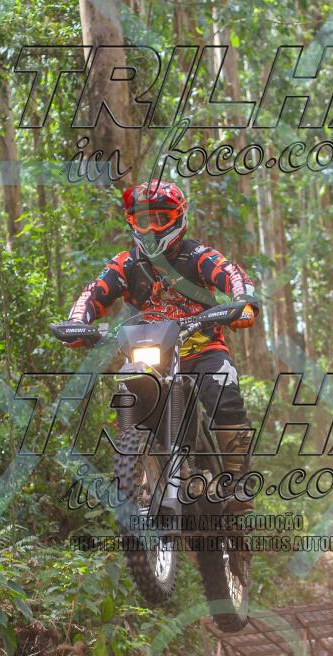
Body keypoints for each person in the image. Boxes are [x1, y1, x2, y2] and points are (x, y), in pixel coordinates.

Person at [64, 180, 259, 513]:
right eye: (143, 220)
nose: (152, 228)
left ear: (178, 219)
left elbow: (231, 273)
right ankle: (135, 481)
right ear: (132, 222)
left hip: (201, 349)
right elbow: (93, 292)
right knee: (127, 397)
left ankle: (239, 481)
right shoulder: (127, 264)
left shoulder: (197, 256)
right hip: (151, 353)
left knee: (223, 390)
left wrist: (244, 302)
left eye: (160, 219)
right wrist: (76, 323)